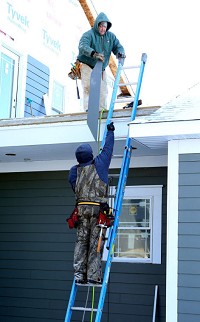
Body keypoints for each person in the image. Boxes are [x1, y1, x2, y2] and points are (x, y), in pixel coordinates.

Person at [68, 122, 115, 284]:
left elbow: (74, 186)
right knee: (96, 242)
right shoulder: (100, 165)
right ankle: (93, 276)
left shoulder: (74, 170)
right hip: (98, 210)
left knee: (81, 242)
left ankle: (79, 276)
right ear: (90, 155)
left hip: (81, 210)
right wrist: (110, 131)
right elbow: (108, 149)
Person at [77, 12, 126, 112]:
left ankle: (101, 111)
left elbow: (118, 47)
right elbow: (82, 46)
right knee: (89, 87)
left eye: (105, 27)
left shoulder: (110, 37)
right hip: (87, 64)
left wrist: (120, 53)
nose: (103, 29)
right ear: (97, 25)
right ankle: (88, 110)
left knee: (103, 91)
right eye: (101, 26)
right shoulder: (89, 35)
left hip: (101, 67)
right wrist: (93, 53)